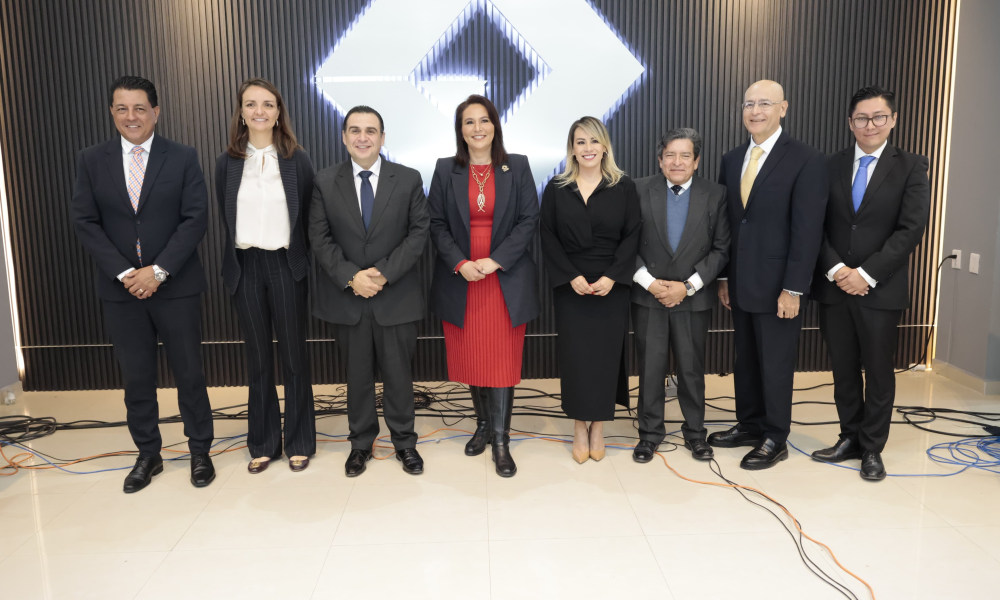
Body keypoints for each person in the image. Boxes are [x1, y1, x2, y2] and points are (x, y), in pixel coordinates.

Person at [71, 76, 215, 493]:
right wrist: (125, 273)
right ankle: (148, 454)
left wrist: (159, 270)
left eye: (139, 108)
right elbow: (85, 221)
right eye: (122, 108)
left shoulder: (182, 157)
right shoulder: (91, 160)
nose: (131, 116)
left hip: (176, 285)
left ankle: (200, 450)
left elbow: (195, 218)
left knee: (189, 373)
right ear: (112, 113)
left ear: (156, 112)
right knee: (136, 377)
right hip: (121, 290)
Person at [810, 86, 930, 480]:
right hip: (835, 287)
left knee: (878, 372)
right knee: (843, 370)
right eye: (862, 118)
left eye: (879, 117)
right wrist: (836, 270)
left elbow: (910, 230)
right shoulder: (829, 165)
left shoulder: (911, 166)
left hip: (880, 289)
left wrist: (865, 274)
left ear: (893, 120)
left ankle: (872, 447)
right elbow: (814, 225)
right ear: (850, 123)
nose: (870, 125)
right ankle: (849, 437)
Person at [709, 80, 828, 470]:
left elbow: (807, 229)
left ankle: (775, 436)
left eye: (764, 103)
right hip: (740, 282)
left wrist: (794, 288)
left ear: (783, 108)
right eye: (749, 104)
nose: (755, 111)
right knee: (745, 360)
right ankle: (749, 424)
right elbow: (727, 224)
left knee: (775, 363)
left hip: (780, 286)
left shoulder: (806, 159)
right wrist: (723, 277)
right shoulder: (732, 159)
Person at [309, 105, 430, 477]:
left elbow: (419, 232)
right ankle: (360, 444)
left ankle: (404, 443)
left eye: (371, 130)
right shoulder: (324, 181)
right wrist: (352, 277)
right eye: (355, 130)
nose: (363, 137)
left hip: (395, 297)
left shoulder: (408, 179)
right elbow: (319, 237)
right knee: (357, 378)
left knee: (399, 377)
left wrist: (383, 274)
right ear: (344, 137)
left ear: (382, 138)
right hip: (349, 299)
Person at [427, 95, 539, 477]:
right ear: (460, 130)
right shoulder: (446, 169)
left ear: (495, 125)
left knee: (502, 361)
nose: (477, 128)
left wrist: (496, 260)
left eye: (484, 120)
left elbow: (529, 219)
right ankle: (483, 426)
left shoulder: (517, 166)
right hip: (463, 276)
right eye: (469, 122)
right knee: (473, 356)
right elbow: (436, 223)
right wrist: (460, 263)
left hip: (504, 276)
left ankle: (502, 441)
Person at [215, 78, 317, 474]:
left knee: (293, 357)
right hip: (244, 267)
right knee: (257, 360)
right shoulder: (227, 163)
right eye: (251, 104)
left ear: (278, 113)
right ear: (241, 112)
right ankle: (262, 442)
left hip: (286, 265)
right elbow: (225, 218)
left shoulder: (296, 160)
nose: (260, 111)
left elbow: (308, 217)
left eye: (268, 104)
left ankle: (300, 441)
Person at [540, 116, 641, 463]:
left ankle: (598, 425)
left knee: (604, 357)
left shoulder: (623, 187)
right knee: (576, 358)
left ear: (605, 146)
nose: (587, 148)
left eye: (593, 141)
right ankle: (578, 425)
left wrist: (613, 276)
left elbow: (632, 235)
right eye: (580, 142)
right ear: (572, 149)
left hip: (612, 285)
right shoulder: (556, 188)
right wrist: (570, 276)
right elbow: (547, 236)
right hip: (571, 286)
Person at [631, 128, 730, 463]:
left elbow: (721, 249)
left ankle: (695, 433)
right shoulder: (638, 189)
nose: (677, 162)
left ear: (696, 161)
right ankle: (649, 435)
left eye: (685, 155)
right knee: (650, 368)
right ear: (660, 160)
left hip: (693, 297)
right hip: (649, 295)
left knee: (691, 369)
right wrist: (650, 283)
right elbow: (624, 243)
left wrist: (686, 287)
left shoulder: (715, 194)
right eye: (670, 155)